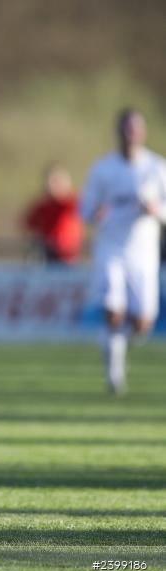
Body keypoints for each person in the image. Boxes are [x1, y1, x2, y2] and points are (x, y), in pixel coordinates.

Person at [80, 108, 166, 395]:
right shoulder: (103, 169)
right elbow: (85, 209)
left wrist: (156, 210)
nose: (131, 134)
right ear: (118, 132)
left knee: (142, 322)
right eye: (127, 128)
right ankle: (114, 375)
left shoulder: (156, 168)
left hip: (143, 253)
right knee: (112, 311)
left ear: (143, 132)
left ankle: (118, 346)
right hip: (111, 249)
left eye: (136, 128)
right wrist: (96, 213)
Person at [22, 164, 83, 264]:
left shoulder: (72, 201)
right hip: (48, 255)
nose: (55, 186)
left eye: (58, 182)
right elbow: (28, 223)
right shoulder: (43, 205)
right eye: (52, 182)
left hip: (69, 256)